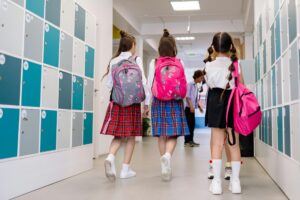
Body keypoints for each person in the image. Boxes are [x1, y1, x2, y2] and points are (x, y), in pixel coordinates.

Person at [100, 30, 150, 181]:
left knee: (118, 135)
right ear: (132, 46)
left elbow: (109, 84)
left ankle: (110, 157)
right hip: (133, 104)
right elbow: (144, 83)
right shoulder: (136, 59)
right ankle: (125, 170)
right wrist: (146, 103)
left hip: (117, 102)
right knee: (131, 137)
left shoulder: (114, 61)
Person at [203, 32, 244, 194]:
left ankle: (217, 183)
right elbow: (241, 85)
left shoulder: (208, 66)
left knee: (217, 144)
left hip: (215, 103)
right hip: (232, 103)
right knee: (234, 144)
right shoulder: (236, 64)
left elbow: (210, 86)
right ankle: (235, 183)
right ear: (231, 47)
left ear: (213, 48)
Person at [147, 29, 189, 181]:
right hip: (175, 101)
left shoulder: (155, 62)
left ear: (159, 48)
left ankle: (164, 165)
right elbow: (183, 82)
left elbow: (150, 83)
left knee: (162, 135)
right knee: (173, 134)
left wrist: (146, 103)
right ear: (173, 47)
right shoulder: (180, 62)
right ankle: (167, 156)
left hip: (159, 101)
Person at [184, 70, 205, 147]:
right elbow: (188, 96)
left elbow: (195, 98)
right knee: (188, 125)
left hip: (192, 108)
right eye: (201, 78)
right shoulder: (190, 84)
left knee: (192, 125)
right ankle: (186, 142)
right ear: (197, 77)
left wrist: (199, 107)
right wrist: (191, 106)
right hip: (188, 108)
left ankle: (191, 140)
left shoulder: (196, 86)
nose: (201, 80)